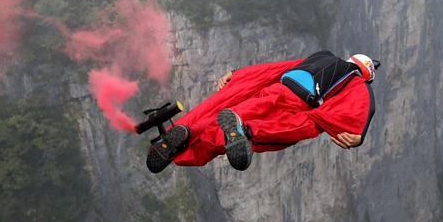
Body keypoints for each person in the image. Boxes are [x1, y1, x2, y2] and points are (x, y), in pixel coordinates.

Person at [147, 51, 378, 173]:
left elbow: (276, 68)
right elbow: (362, 106)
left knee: (233, 113)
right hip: (298, 103)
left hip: (276, 87)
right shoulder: (355, 81)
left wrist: (238, 74)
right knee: (300, 128)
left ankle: (187, 132)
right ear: (365, 73)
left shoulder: (323, 57)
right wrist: (358, 133)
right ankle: (246, 131)